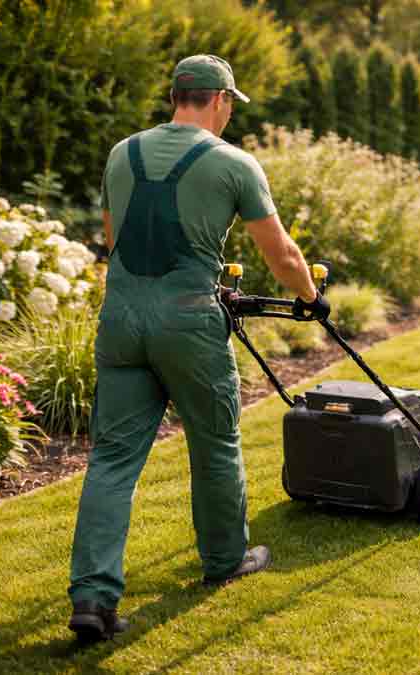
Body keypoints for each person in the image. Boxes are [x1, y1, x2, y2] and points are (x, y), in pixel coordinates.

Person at [66, 54, 330, 642]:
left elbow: (117, 239)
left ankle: (91, 598)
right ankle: (225, 559)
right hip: (189, 324)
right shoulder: (234, 163)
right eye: (231, 104)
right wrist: (311, 296)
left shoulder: (121, 153)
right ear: (221, 100)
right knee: (214, 444)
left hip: (122, 321)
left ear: (175, 97)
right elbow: (281, 255)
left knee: (111, 460)